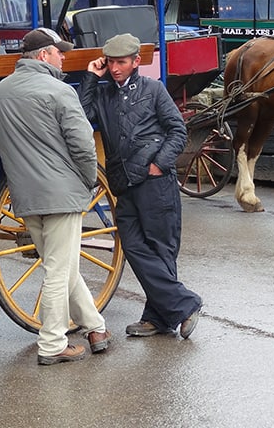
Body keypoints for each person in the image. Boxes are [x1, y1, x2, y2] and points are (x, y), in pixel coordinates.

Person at [0, 27, 112, 365]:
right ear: (43, 56)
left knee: (62, 265)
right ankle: (52, 344)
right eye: (59, 52)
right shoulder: (60, 91)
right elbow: (83, 144)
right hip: (61, 193)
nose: (64, 57)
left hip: (25, 196)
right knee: (58, 271)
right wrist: (88, 182)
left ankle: (95, 327)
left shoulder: (0, 91)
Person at [78, 32, 202, 339]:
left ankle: (157, 318)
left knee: (161, 249)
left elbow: (177, 130)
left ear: (136, 62)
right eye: (111, 62)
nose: (115, 68)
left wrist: (159, 164)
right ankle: (182, 305)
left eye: (121, 62)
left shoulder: (153, 89)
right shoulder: (104, 94)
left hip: (154, 182)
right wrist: (91, 78)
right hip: (124, 183)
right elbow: (81, 116)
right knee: (133, 247)